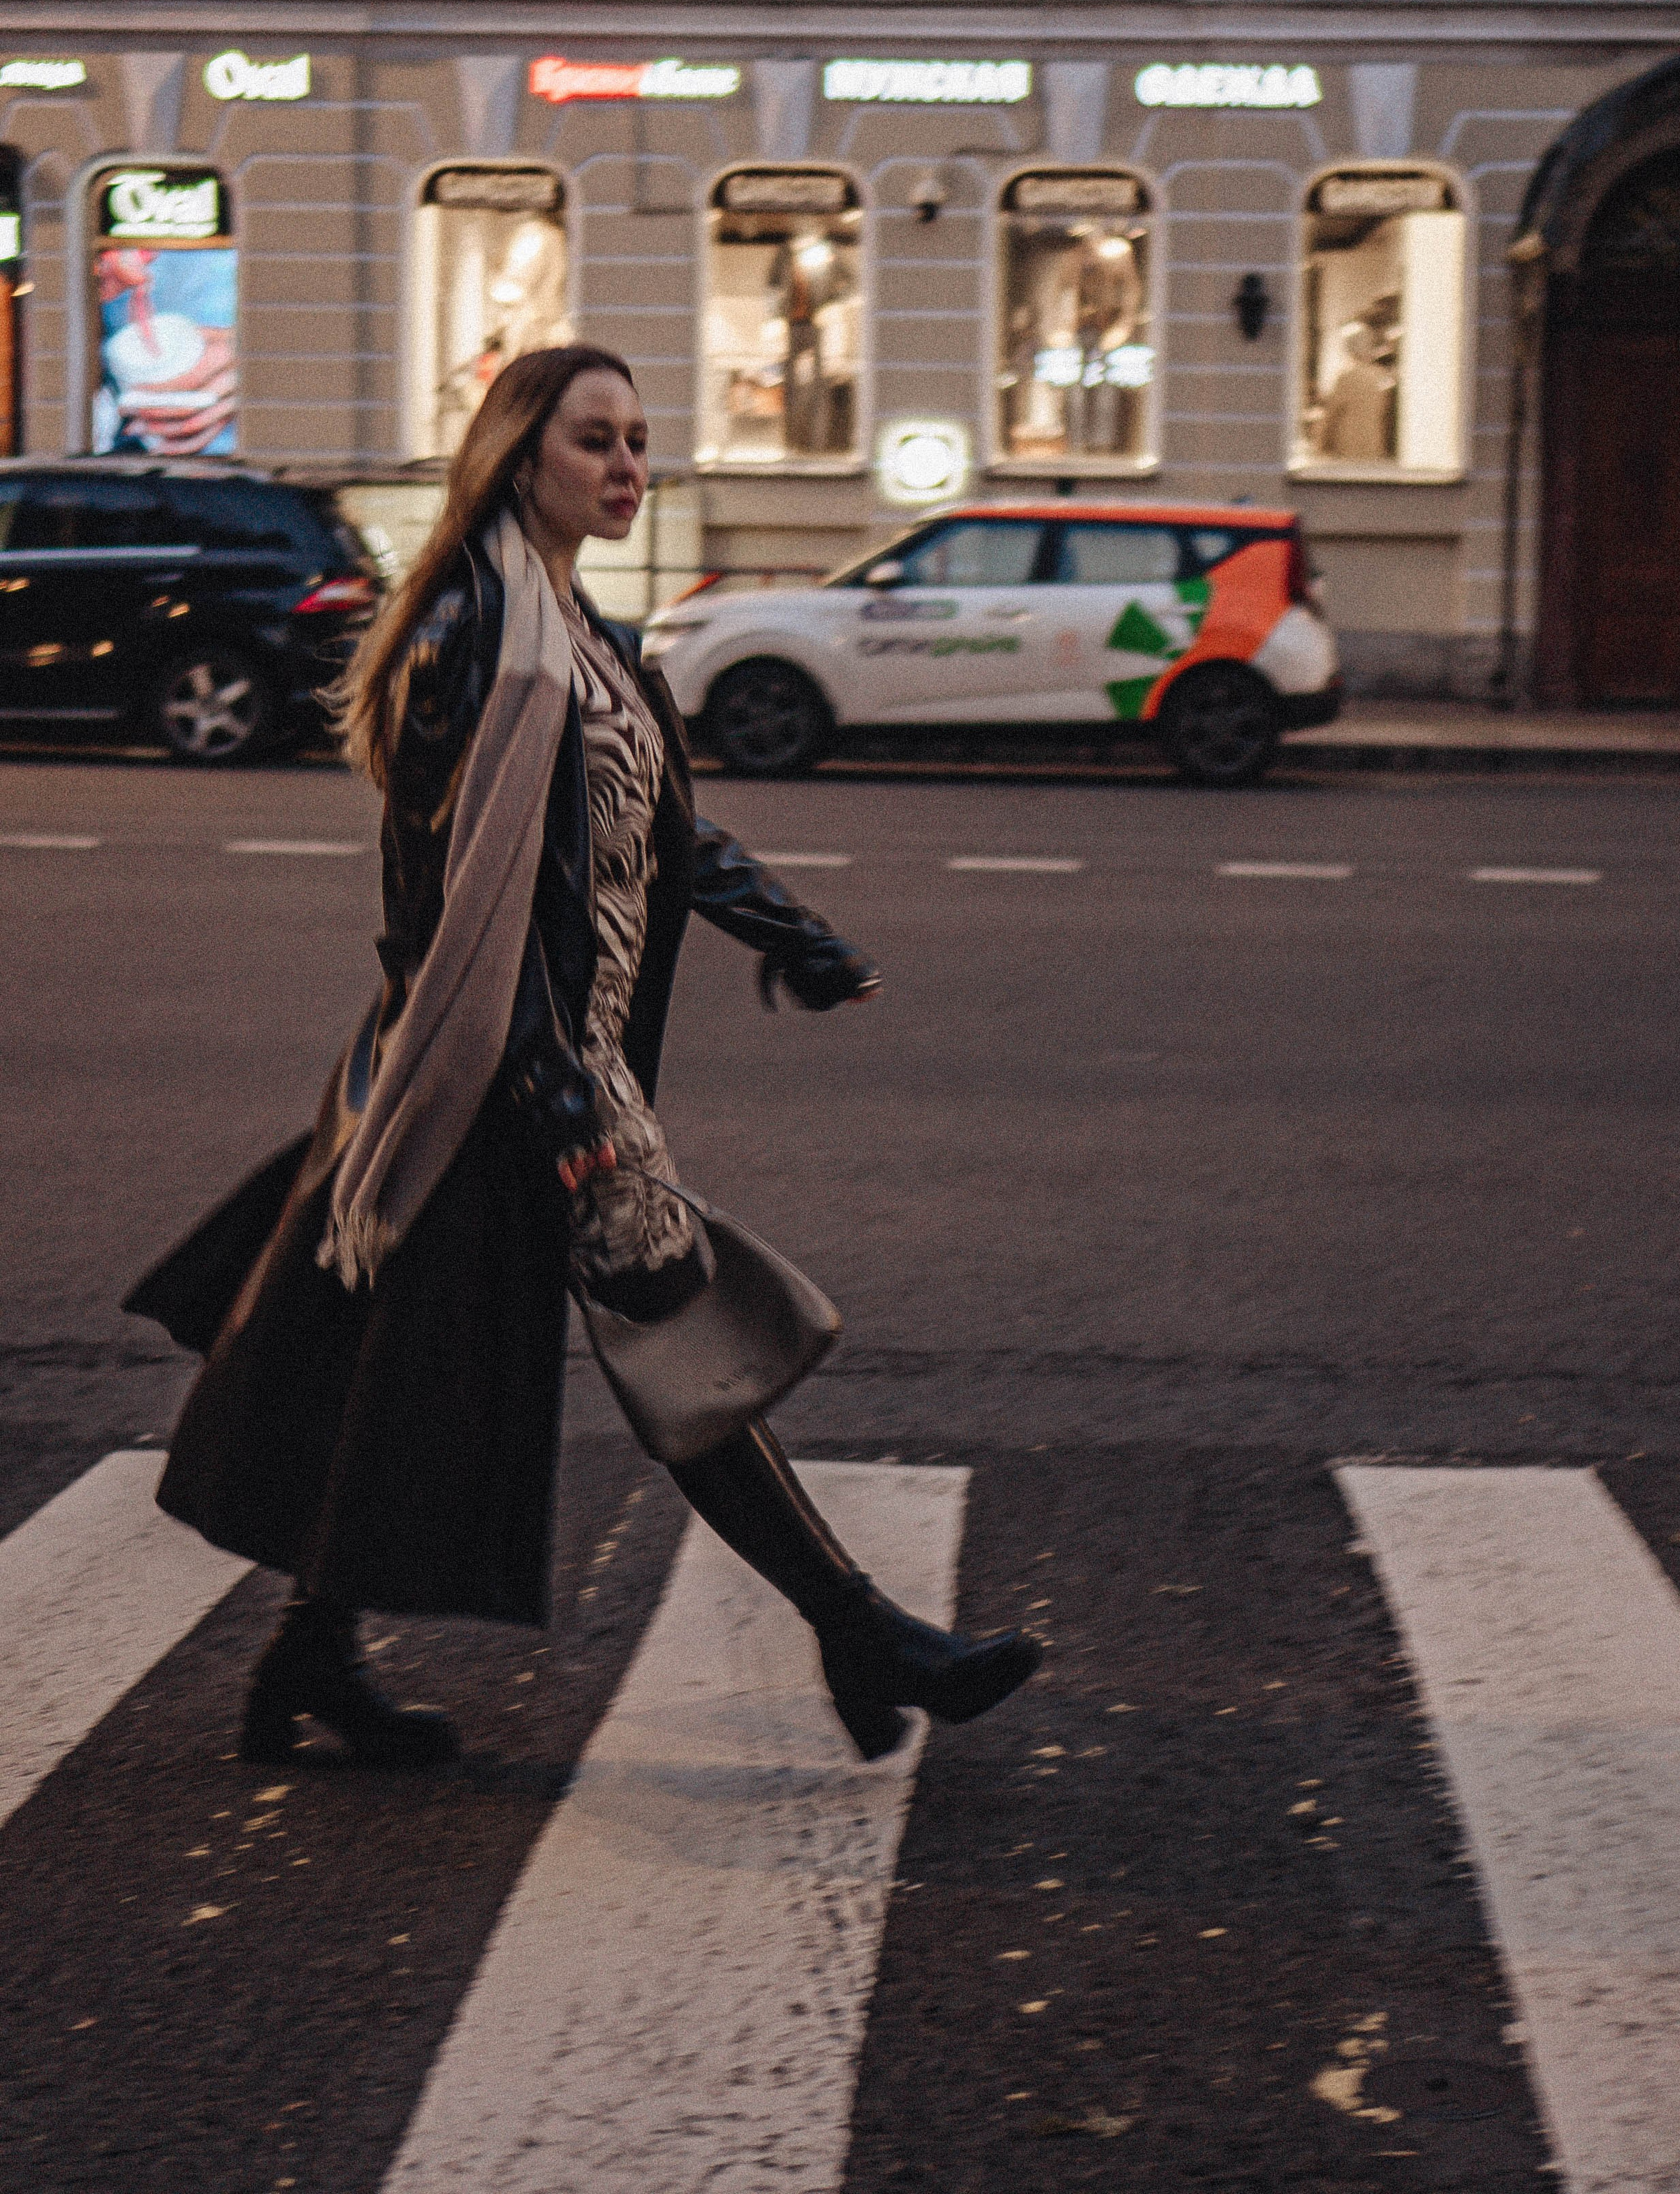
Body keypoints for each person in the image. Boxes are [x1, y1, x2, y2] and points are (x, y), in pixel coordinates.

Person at [126, 344, 1039, 1769]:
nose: (626, 468)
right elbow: (437, 915)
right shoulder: (467, 641)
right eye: (594, 442)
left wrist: (790, 933)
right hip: (499, 1068)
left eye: (635, 441)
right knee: (678, 1337)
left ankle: (309, 1656)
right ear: (517, 457)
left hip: (555, 1057)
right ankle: (861, 1636)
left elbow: (657, 834)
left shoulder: (581, 630)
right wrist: (561, 1100)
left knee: (411, 1372)